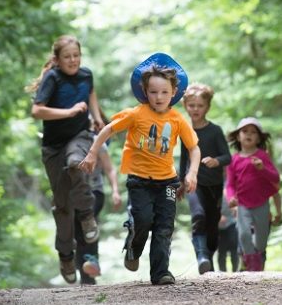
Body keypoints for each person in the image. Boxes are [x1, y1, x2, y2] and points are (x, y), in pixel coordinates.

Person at [80, 53, 200, 286]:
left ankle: (160, 272)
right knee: (143, 219)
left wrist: (192, 173)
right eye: (153, 92)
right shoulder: (136, 114)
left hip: (167, 182)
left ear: (173, 92)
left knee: (165, 226)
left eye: (164, 92)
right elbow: (107, 130)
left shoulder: (177, 120)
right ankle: (134, 246)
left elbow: (194, 149)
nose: (159, 97)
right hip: (139, 181)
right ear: (145, 92)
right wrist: (93, 152)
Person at [29, 35, 104, 285]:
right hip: (53, 146)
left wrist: (96, 117)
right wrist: (68, 112)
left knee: (76, 163)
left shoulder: (86, 75)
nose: (73, 60)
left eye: (76, 55)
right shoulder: (53, 78)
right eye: (67, 56)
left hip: (80, 136)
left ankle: (86, 214)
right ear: (58, 60)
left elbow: (91, 93)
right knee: (61, 206)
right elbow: (37, 110)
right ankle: (65, 255)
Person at [179, 83, 231, 274]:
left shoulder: (215, 131)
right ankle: (201, 257)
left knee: (212, 227)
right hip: (194, 183)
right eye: (191, 105)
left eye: (200, 106)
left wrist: (216, 161)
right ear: (185, 105)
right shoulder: (185, 130)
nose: (195, 109)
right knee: (198, 216)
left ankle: (208, 258)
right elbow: (184, 159)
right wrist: (180, 182)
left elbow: (228, 157)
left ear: (207, 107)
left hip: (215, 184)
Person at [225, 116, 280, 272]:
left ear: (259, 138)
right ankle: (252, 263)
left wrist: (263, 168)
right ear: (238, 136)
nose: (248, 134)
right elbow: (229, 184)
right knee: (243, 235)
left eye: (253, 132)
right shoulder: (233, 160)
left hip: (261, 203)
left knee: (261, 241)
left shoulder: (262, 156)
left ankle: (256, 255)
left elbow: (275, 178)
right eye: (244, 131)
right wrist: (231, 199)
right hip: (242, 204)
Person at [75, 131, 122, 285]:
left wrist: (115, 190)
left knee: (90, 225)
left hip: (95, 192)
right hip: (76, 194)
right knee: (79, 232)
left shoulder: (97, 142)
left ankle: (91, 264)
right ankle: (85, 274)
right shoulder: (67, 141)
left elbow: (109, 168)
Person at [217, 190, 239, 273]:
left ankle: (235, 271)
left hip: (232, 223)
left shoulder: (231, 187)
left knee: (234, 247)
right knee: (222, 250)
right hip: (219, 227)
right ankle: (222, 272)